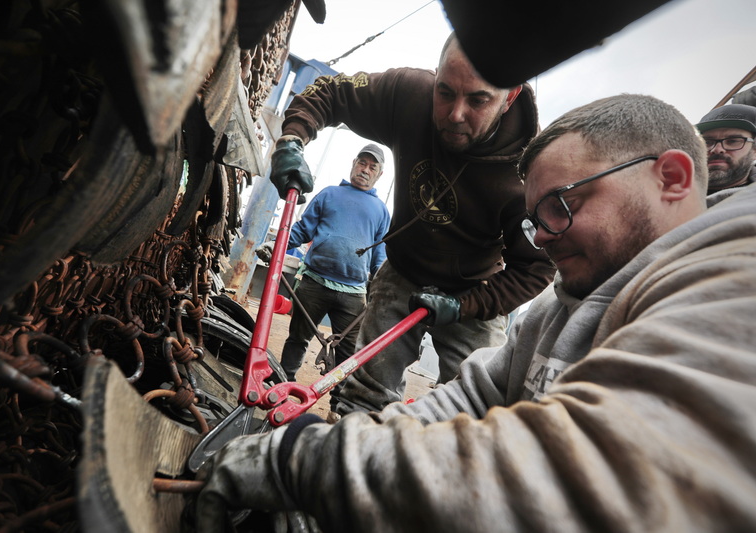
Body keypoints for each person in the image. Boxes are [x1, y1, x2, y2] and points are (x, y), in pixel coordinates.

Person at [196, 94, 756, 532]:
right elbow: (471, 397)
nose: (540, 235)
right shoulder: (566, 303)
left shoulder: (737, 271)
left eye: (564, 204)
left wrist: (306, 463)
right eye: (536, 216)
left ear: (673, 178)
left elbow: (588, 482)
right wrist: (361, 443)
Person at [266, 33, 555, 417]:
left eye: (478, 99)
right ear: (435, 78)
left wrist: (463, 305)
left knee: (474, 409)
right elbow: (331, 92)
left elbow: (536, 267)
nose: (455, 113)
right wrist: (292, 140)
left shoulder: (531, 171)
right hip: (403, 273)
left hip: (476, 292)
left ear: (510, 97)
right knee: (363, 396)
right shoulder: (409, 95)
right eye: (446, 92)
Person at [258, 144, 390, 408]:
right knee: (297, 338)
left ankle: (337, 404)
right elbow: (301, 231)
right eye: (362, 163)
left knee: (347, 354)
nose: (365, 169)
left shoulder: (381, 211)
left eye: (372, 167)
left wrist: (382, 284)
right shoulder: (329, 194)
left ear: (379, 174)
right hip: (314, 283)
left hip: (353, 294)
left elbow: (380, 256)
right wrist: (277, 246)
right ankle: (281, 387)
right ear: (353, 163)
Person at [694, 103, 756, 196]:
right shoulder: (668, 193)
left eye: (732, 141)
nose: (717, 149)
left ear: (754, 151)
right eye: (707, 142)